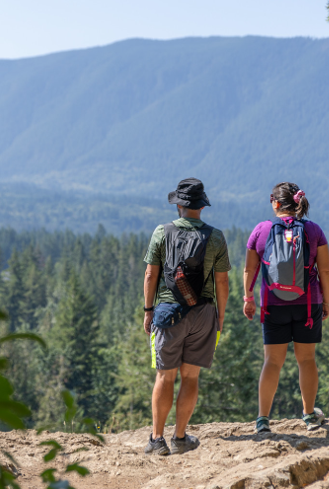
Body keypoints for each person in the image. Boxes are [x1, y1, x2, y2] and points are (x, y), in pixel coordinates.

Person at [143, 178, 231, 455]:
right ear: (201, 206)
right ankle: (180, 438)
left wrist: (148, 311)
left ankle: (157, 440)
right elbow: (222, 283)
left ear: (179, 205)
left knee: (164, 377)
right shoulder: (215, 236)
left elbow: (150, 275)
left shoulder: (162, 232)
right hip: (204, 312)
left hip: (169, 313)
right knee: (190, 377)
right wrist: (220, 317)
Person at [242, 182, 329, 433]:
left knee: (272, 361)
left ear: (277, 203)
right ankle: (309, 415)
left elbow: (250, 269)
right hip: (307, 304)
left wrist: (248, 298)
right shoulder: (313, 230)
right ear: (297, 203)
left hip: (273, 305)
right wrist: (326, 300)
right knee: (306, 360)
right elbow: (324, 269)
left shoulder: (261, 230)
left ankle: (262, 420)